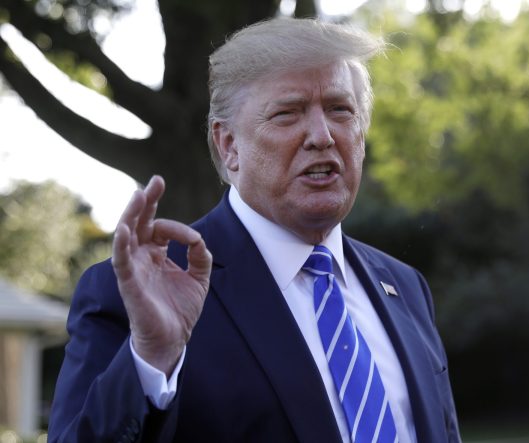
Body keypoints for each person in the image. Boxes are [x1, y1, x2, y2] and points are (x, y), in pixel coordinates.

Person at [48, 18, 460, 443]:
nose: (322, 135)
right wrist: (152, 359)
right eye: (287, 114)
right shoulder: (136, 294)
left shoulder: (405, 288)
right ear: (229, 146)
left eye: (340, 109)